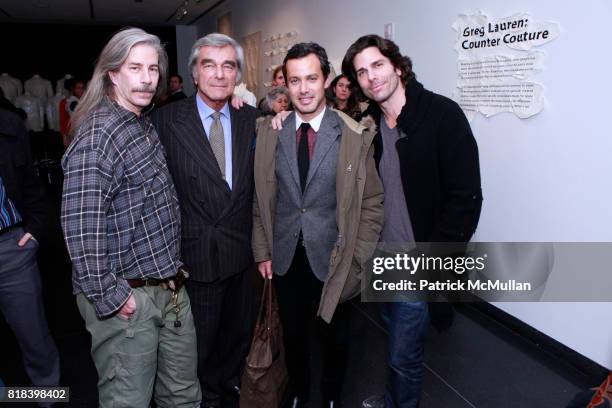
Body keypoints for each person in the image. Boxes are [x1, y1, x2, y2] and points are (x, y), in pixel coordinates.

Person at [61, 27, 201, 408]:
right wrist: (114, 298)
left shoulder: (140, 121)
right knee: (128, 402)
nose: (146, 78)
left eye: (153, 69)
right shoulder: (98, 136)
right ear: (112, 72)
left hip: (168, 287)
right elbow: (80, 233)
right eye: (134, 67)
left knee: (183, 396)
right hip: (128, 297)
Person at [342, 34, 483, 408]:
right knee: (394, 339)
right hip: (380, 255)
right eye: (361, 72)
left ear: (398, 67)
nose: (371, 77)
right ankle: (394, 396)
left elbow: (466, 197)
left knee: (402, 355)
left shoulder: (442, 115)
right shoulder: (367, 125)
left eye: (377, 65)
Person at [252, 42, 384, 408]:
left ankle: (330, 396)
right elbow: (261, 199)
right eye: (295, 80)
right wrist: (262, 249)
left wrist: (359, 260)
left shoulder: (352, 136)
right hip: (286, 257)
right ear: (285, 85)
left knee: (335, 338)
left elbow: (372, 203)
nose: (304, 88)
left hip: (335, 258)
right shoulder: (270, 133)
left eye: (312, 78)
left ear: (326, 79)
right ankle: (298, 391)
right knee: (293, 335)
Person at [152, 33, 258, 408]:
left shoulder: (254, 120)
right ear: (194, 73)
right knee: (197, 346)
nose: (218, 74)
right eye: (209, 65)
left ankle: (225, 386)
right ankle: (201, 397)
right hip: (192, 258)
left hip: (242, 254)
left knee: (236, 337)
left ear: (237, 75)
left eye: (228, 65)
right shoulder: (164, 121)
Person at [0, 108, 61, 404]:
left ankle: (48, 397)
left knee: (35, 338)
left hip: (11, 248)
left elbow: (31, 185)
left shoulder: (8, 124)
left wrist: (36, 230)